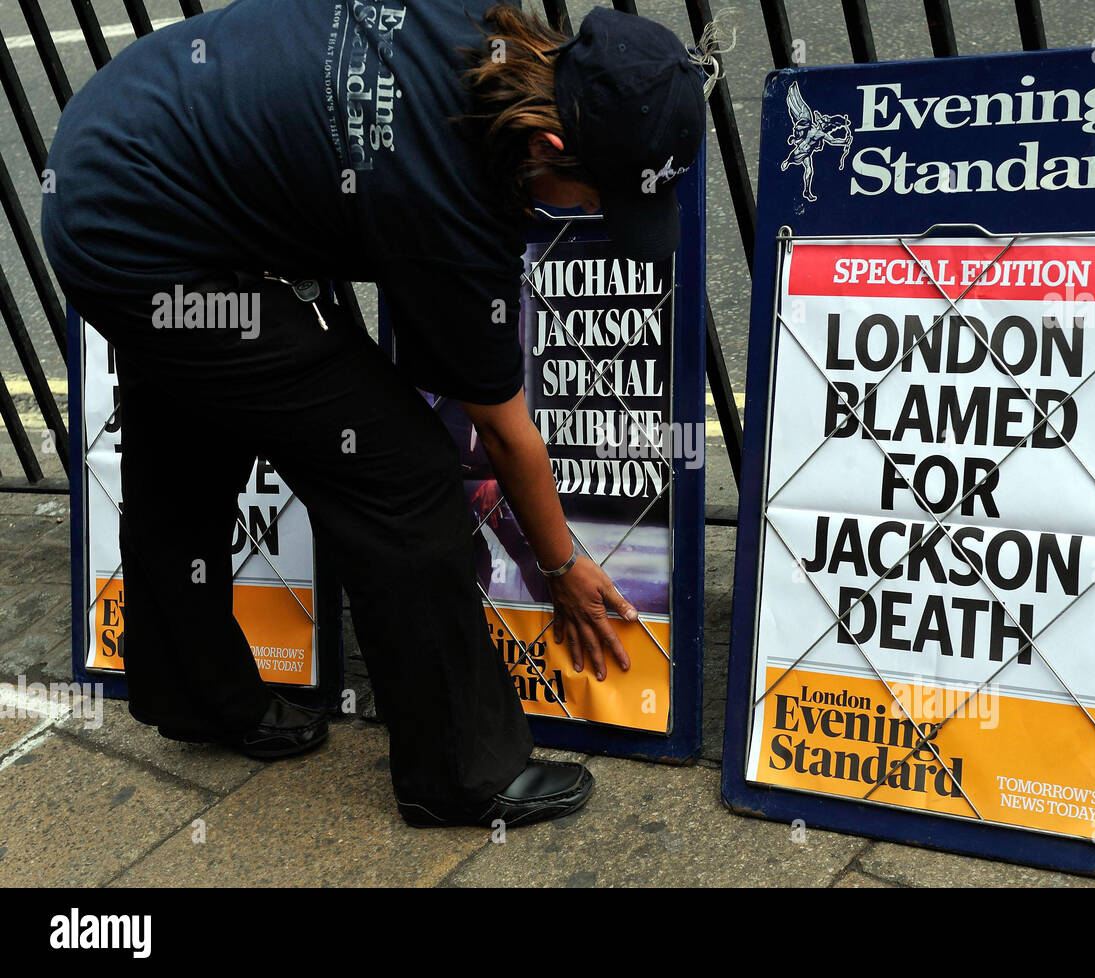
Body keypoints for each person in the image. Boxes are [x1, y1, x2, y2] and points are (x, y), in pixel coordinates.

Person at [40, 1, 706, 828]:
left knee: (185, 432)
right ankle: (459, 776)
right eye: (603, 198)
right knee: (405, 478)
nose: (600, 216)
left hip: (125, 138)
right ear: (549, 147)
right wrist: (564, 565)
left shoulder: (477, 30)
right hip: (150, 238)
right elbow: (501, 430)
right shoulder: (448, 198)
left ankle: (199, 699)